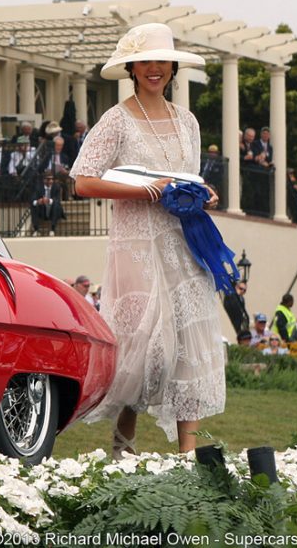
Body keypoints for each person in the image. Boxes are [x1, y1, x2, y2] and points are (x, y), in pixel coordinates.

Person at [71, 23, 224, 456]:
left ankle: (188, 452)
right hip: (137, 242)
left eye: (162, 61)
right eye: (146, 62)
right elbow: (83, 182)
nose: (154, 69)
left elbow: (185, 179)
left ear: (172, 68)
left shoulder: (188, 122)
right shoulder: (116, 120)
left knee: (189, 338)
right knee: (146, 346)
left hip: (185, 240)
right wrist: (144, 191)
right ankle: (124, 438)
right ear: (132, 69)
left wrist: (202, 194)